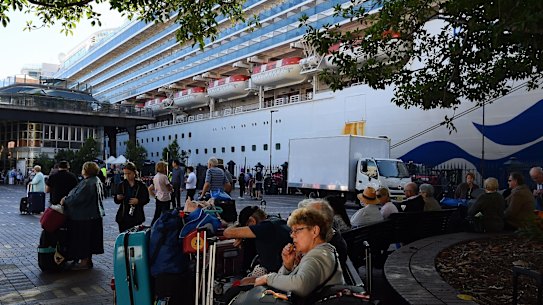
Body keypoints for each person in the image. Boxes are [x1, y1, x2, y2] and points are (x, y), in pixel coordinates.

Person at [254, 207, 345, 297]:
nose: (292, 235)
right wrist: (287, 266)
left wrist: (268, 278)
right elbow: (286, 287)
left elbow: (301, 286)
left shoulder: (318, 256)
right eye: (292, 231)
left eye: (296, 230)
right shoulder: (319, 252)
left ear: (314, 231)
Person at [60, 161, 105, 270]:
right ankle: (87, 260)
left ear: (86, 170)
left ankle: (84, 262)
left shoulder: (87, 183)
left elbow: (77, 198)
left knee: (83, 239)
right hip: (94, 214)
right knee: (89, 240)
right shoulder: (96, 180)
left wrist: (65, 200)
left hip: (83, 216)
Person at [223, 206, 291, 275]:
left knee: (243, 282)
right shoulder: (277, 221)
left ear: (252, 221)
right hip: (285, 268)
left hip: (277, 273)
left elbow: (227, 233)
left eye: (246, 226)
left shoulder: (264, 227)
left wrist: (238, 227)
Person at [114, 162, 150, 232]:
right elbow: (116, 200)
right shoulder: (121, 185)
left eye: (129, 173)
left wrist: (138, 201)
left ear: (134, 173)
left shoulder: (141, 185)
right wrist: (118, 198)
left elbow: (146, 199)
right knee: (124, 238)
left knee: (135, 238)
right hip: (123, 216)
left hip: (137, 216)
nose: (127, 176)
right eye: (125, 173)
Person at [149, 161, 173, 225]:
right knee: (165, 215)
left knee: (157, 214)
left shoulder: (155, 177)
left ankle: (153, 225)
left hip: (158, 197)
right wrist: (171, 188)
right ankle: (164, 227)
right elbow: (168, 187)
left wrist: (154, 195)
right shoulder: (164, 177)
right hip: (165, 197)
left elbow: (150, 188)